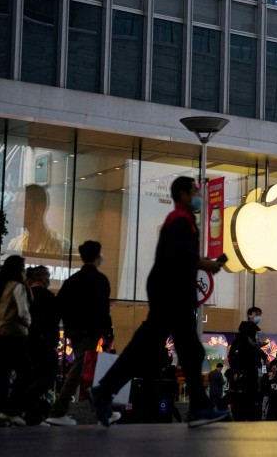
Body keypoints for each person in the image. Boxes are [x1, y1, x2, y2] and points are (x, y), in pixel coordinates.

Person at [90, 177, 229, 428]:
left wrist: (200, 262)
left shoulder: (180, 220)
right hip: (172, 292)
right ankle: (198, 408)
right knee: (181, 348)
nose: (200, 195)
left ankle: (105, 390)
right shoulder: (179, 220)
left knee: (161, 348)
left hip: (170, 291)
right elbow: (180, 256)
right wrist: (204, 263)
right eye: (196, 191)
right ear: (184, 194)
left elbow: (180, 256)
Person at [46, 241, 113, 427]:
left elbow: (58, 306)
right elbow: (103, 310)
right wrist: (108, 333)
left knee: (87, 371)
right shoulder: (100, 280)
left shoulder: (72, 281)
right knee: (80, 369)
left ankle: (105, 412)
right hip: (90, 332)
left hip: (74, 332)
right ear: (97, 256)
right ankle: (58, 410)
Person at [0, 255, 33, 426]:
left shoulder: (0, 287)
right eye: (23, 267)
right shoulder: (18, 287)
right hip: (14, 335)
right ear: (18, 269)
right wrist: (28, 324)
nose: (25, 270)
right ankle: (11, 410)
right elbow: (23, 312)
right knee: (25, 372)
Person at [20, 265, 59, 425]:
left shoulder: (26, 296)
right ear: (43, 278)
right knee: (47, 378)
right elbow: (53, 322)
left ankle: (31, 414)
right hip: (44, 343)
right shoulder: (47, 297)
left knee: (31, 377)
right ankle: (24, 404)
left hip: (26, 342)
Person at [5, 184, 71, 257]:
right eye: (13, 204)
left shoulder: (60, 247)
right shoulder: (14, 244)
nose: (13, 211)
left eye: (21, 205)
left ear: (39, 208)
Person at [228, 315, 263, 421]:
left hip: (248, 376)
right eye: (254, 331)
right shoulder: (242, 343)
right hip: (245, 377)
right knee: (246, 401)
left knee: (249, 401)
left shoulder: (248, 343)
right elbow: (234, 358)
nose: (255, 334)